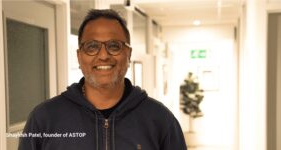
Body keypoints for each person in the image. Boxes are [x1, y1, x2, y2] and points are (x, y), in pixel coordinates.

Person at [19, 9, 187, 150]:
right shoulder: (44, 119)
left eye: (114, 46)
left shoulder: (160, 120)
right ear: (79, 56)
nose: (104, 55)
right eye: (92, 46)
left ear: (128, 54)